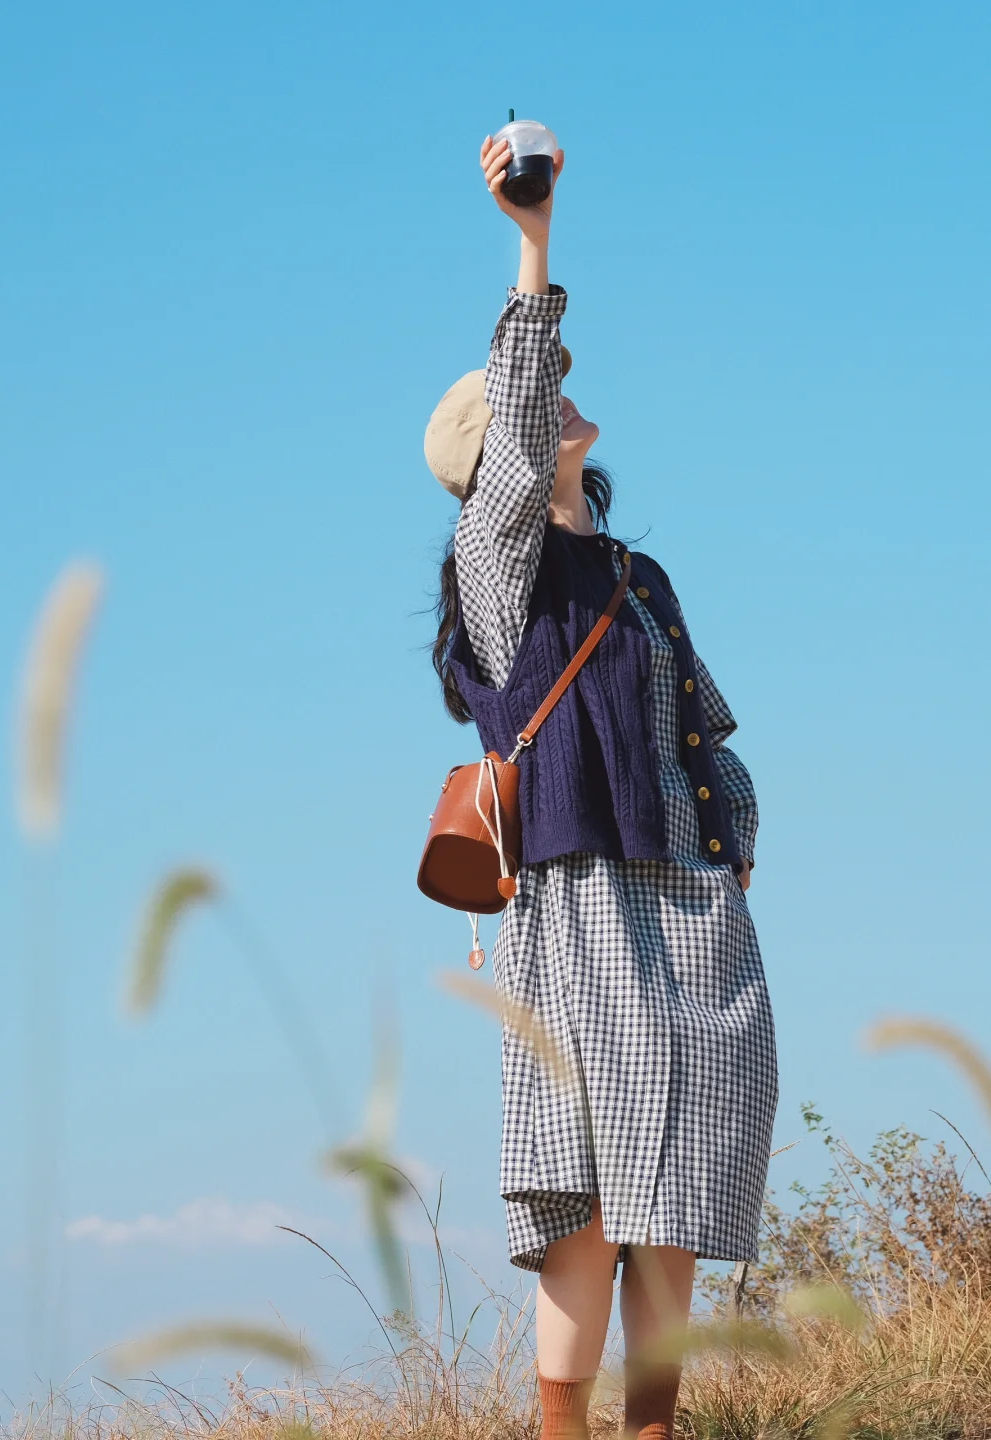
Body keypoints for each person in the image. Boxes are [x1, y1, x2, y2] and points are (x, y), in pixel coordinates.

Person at [425, 135, 779, 1440]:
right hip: (576, 906)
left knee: (677, 1192)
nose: (564, 399)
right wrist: (534, 239)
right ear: (492, 465)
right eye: (535, 399)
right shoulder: (500, 573)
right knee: (581, 1203)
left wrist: (732, 842)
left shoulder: (637, 576)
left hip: (684, 905)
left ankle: (655, 1432)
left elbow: (705, 725)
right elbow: (517, 429)